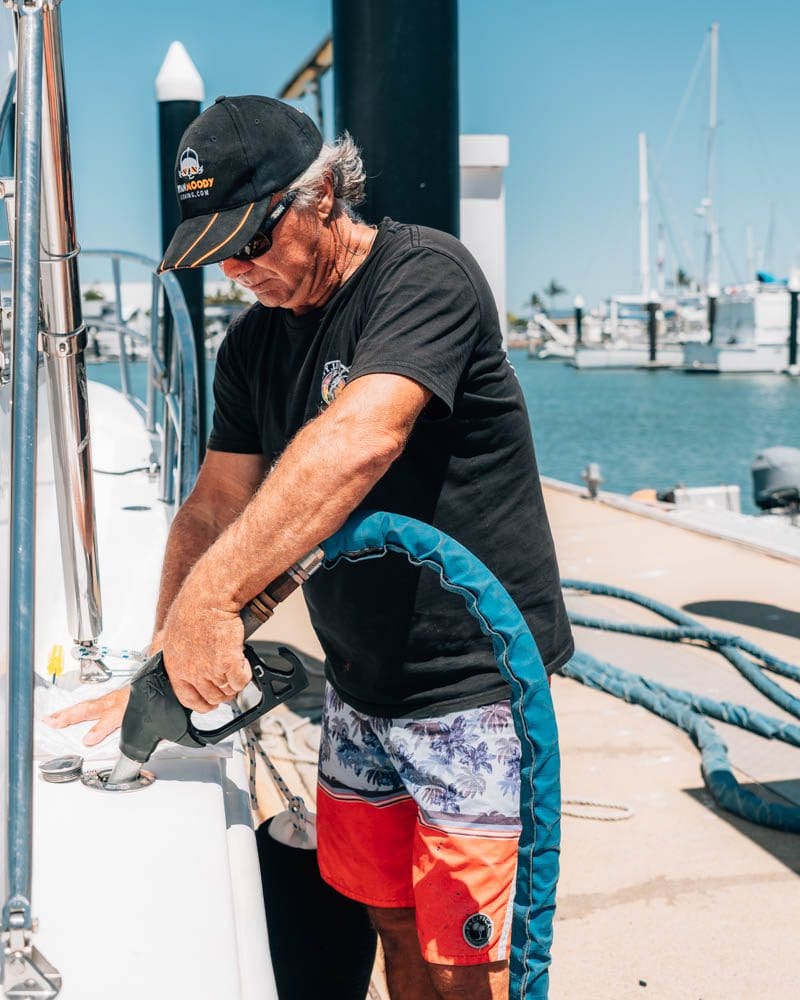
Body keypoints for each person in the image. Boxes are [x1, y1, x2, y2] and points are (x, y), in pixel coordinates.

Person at [46, 96, 573, 999]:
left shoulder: (426, 277)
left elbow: (359, 438)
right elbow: (214, 504)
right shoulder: (251, 344)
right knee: (391, 927)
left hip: (475, 686)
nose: (238, 269)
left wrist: (217, 603)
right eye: (219, 253)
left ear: (322, 194)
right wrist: (162, 658)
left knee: (463, 965)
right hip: (358, 689)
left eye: (252, 241)